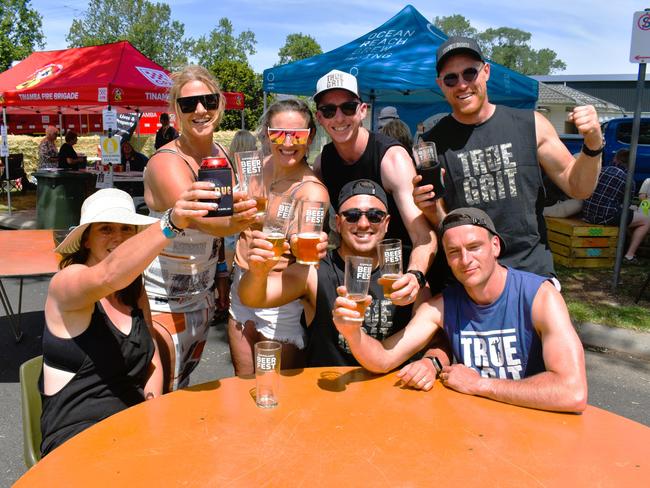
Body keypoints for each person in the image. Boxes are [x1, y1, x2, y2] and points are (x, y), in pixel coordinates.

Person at [332, 207, 588, 413]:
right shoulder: (442, 306)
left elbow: (572, 391)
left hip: (534, 428)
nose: (465, 260)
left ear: (495, 246)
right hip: (470, 431)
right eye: (454, 252)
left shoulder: (540, 296)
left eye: (474, 247)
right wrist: (353, 333)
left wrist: (480, 385)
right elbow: (383, 358)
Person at [40, 185, 217, 456]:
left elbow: (152, 360)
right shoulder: (67, 283)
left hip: (131, 429)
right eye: (106, 229)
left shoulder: (133, 288)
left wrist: (152, 413)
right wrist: (171, 223)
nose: (118, 237)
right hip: (77, 442)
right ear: (86, 239)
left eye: (126, 229)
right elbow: (108, 275)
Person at [415, 36, 603, 279]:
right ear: (441, 84)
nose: (462, 84)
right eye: (451, 78)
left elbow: (579, 188)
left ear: (486, 72)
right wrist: (429, 209)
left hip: (530, 273)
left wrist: (593, 143)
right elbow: (444, 222)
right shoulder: (432, 143)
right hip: (470, 279)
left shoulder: (531, 124)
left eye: (469, 73)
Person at [143, 65, 257, 391]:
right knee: (157, 396)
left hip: (201, 298)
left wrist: (222, 274)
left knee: (182, 386)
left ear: (219, 104)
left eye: (207, 100)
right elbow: (211, 223)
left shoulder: (220, 154)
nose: (200, 110)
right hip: (161, 302)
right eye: (188, 104)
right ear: (175, 111)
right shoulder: (166, 163)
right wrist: (257, 211)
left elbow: (224, 224)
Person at [239, 179, 417, 366]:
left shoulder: (405, 273)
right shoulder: (315, 271)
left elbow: (432, 329)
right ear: (338, 223)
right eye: (352, 215)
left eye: (374, 216)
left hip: (389, 390)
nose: (364, 223)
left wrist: (430, 361)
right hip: (330, 390)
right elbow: (253, 298)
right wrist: (258, 273)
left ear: (386, 222)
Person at [313, 69, 436, 300]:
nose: (339, 118)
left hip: (398, 276)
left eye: (348, 107)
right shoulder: (323, 163)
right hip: (352, 279)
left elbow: (423, 234)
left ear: (362, 110)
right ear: (319, 118)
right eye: (329, 110)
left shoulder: (392, 159)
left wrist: (415, 275)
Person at [228, 98, 330, 375]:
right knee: (242, 383)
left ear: (309, 140)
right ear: (266, 135)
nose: (288, 142)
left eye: (298, 134)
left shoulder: (311, 191)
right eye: (278, 133)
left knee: (274, 388)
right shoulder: (255, 169)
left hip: (278, 299)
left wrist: (303, 241)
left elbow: (307, 236)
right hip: (241, 287)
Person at [582, 149, 650, 264]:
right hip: (605, 217)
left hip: (586, 213)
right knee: (646, 220)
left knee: (632, 214)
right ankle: (629, 256)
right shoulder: (629, 180)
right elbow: (625, 206)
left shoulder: (601, 170)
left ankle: (622, 247)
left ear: (615, 159)